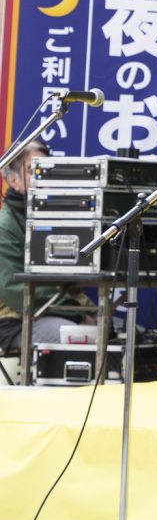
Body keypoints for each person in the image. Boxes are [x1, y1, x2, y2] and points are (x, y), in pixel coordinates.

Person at [0, 142, 67, 361]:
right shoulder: (4, 227)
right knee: (84, 336)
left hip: (52, 311)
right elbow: (14, 290)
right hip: (13, 322)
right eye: (34, 170)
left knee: (124, 332)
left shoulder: (53, 218)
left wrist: (91, 311)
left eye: (48, 169)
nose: (45, 177)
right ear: (13, 181)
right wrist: (76, 312)